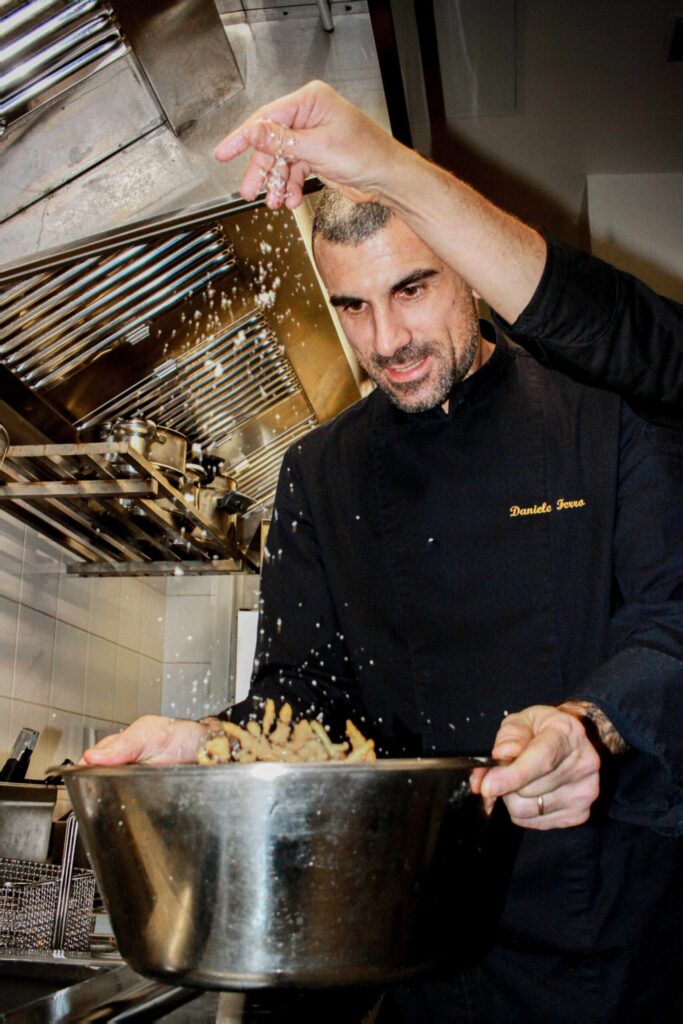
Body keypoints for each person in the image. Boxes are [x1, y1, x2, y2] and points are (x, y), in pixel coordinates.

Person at [84, 84, 683, 1022]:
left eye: (412, 289)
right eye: (352, 306)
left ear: (470, 273)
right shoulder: (319, 471)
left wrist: (587, 723)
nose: (387, 340)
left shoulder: (601, 417)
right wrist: (206, 745)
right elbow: (305, 695)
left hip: (601, 934)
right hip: (415, 940)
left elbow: (668, 625)